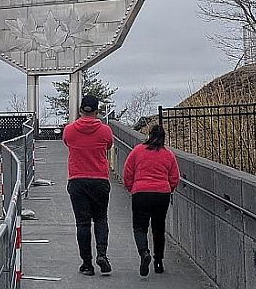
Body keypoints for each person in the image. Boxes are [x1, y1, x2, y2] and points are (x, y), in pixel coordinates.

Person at [63, 94, 114, 276]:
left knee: (82, 223)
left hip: (77, 180)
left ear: (80, 110)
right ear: (97, 111)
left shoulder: (69, 130)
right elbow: (108, 146)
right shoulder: (105, 130)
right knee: (101, 219)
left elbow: (67, 143)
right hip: (99, 180)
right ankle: (102, 254)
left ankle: (87, 264)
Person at [122, 124, 180, 276]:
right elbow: (174, 177)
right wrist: (168, 189)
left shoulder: (137, 151)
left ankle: (144, 253)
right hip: (162, 193)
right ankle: (159, 262)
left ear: (149, 136)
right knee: (158, 229)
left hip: (141, 192)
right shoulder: (169, 155)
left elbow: (128, 172)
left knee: (140, 227)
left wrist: (131, 188)